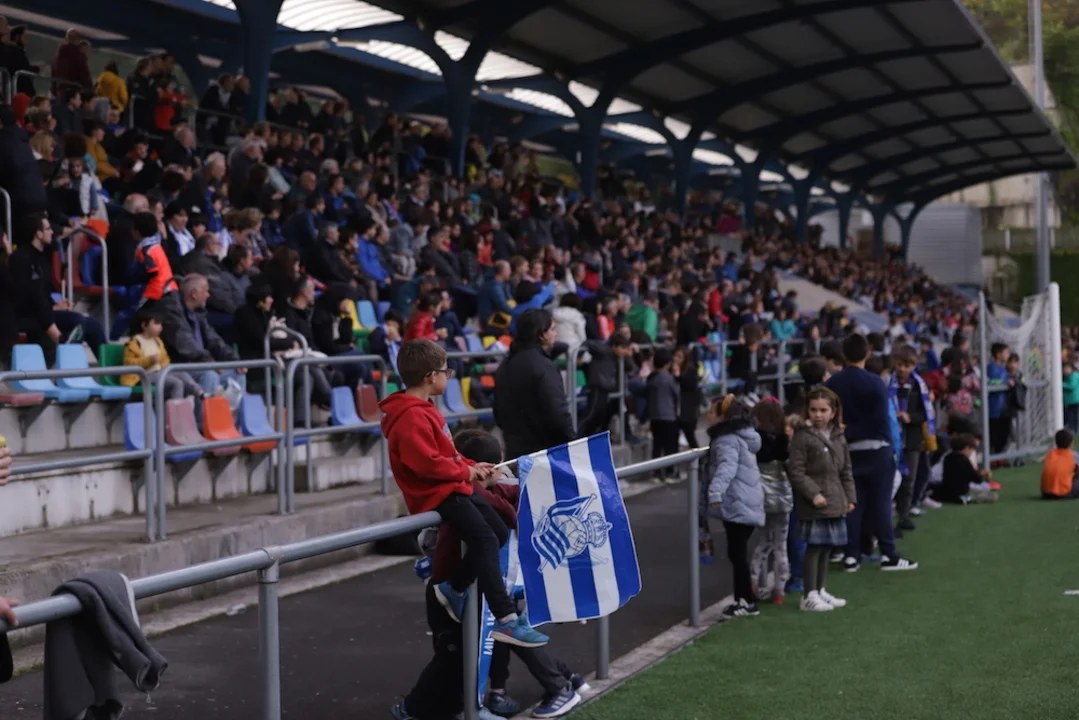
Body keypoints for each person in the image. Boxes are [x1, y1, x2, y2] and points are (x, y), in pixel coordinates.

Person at [395, 429, 586, 720]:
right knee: (463, 650)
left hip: (484, 586)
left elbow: (506, 500)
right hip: (463, 586)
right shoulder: (462, 493)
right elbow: (499, 513)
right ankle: (443, 706)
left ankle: (535, 687)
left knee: (494, 638)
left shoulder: (479, 489)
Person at [379, 339, 547, 648]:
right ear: (431, 376)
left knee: (497, 533)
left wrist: (472, 466)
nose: (448, 375)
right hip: (439, 493)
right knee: (485, 539)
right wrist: (466, 472)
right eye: (446, 371)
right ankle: (506, 618)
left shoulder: (423, 410)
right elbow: (427, 464)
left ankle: (454, 589)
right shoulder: (411, 416)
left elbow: (448, 456)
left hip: (452, 486)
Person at [825, 334, 917, 573]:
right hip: (877, 448)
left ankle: (851, 555)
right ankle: (888, 553)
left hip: (848, 449)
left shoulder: (833, 384)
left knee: (853, 505)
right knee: (881, 504)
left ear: (843, 354)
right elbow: (882, 419)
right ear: (867, 353)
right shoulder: (876, 382)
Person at [787, 386, 856, 612]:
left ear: (833, 412)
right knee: (814, 547)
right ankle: (809, 594)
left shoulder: (838, 435)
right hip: (814, 502)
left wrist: (850, 497)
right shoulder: (803, 436)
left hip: (834, 499)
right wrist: (813, 493)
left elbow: (846, 470)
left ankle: (820, 588)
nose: (818, 414)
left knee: (827, 546)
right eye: (814, 409)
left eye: (823, 410)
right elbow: (796, 471)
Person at [705, 394, 764, 618]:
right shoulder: (744, 436)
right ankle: (747, 597)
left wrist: (715, 491)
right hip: (748, 499)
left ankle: (745, 601)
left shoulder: (726, 439)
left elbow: (727, 467)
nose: (708, 415)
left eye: (712, 412)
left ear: (723, 416)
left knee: (737, 554)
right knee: (738, 553)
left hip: (737, 502)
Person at [493, 308, 575, 460]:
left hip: (515, 451)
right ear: (542, 334)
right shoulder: (544, 366)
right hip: (544, 454)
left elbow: (498, 412)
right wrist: (573, 442)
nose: (556, 334)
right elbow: (557, 413)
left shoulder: (505, 365)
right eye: (553, 329)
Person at [159, 274, 246, 396]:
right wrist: (209, 362)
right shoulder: (172, 311)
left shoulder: (198, 313)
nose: (208, 295)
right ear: (194, 294)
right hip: (179, 367)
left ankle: (236, 409)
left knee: (237, 373)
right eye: (205, 291)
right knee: (209, 375)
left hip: (201, 364)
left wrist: (234, 360)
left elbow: (214, 340)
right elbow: (185, 344)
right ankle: (204, 409)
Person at [749, 398, 792, 605]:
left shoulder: (754, 441)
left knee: (764, 541)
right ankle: (779, 591)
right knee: (781, 545)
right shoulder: (784, 441)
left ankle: (752, 582)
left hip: (761, 498)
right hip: (783, 497)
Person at [890, 344, 933, 535]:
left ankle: (904, 515)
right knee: (892, 479)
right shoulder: (887, 383)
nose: (902, 369)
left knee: (909, 479)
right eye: (899, 364)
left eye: (907, 365)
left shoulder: (919, 385)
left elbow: (925, 414)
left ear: (914, 366)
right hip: (892, 438)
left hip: (912, 438)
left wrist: (910, 417)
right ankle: (889, 517)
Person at [120, 309, 202, 400]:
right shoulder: (134, 343)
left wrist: (164, 367)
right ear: (144, 325)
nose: (160, 327)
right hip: (143, 376)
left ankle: (200, 393)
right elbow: (130, 363)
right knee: (176, 383)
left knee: (183, 375)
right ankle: (176, 407)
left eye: (160, 324)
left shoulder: (158, 341)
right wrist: (149, 360)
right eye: (156, 323)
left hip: (159, 373)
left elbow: (165, 359)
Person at [576, 335, 633, 438]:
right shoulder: (603, 350)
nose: (625, 351)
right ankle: (576, 437)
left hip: (605, 389)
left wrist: (630, 354)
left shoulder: (617, 356)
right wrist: (579, 357)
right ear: (615, 346)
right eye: (623, 348)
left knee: (599, 415)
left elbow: (629, 367)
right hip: (598, 387)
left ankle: (587, 436)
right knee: (591, 414)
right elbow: (588, 342)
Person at [933, 434, 999, 504]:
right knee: (993, 496)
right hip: (961, 492)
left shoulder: (948, 457)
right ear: (966, 448)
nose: (972, 452)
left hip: (946, 491)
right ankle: (966, 499)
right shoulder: (964, 460)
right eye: (972, 449)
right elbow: (977, 479)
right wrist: (983, 476)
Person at [647, 347, 680, 481]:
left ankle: (656, 473)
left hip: (655, 416)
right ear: (667, 363)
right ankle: (670, 472)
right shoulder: (668, 378)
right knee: (669, 446)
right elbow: (676, 393)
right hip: (668, 416)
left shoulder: (651, 378)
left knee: (657, 445)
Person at [986, 342, 1011, 461]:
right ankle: (994, 459)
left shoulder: (1005, 368)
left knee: (1004, 433)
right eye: (1006, 352)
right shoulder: (991, 368)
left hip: (1005, 407)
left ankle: (1001, 458)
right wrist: (1006, 383)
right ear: (998, 354)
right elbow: (992, 382)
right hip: (994, 407)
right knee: (995, 433)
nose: (1008, 355)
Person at [1040, 429, 1079, 500]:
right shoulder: (1072, 455)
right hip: (1064, 493)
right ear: (1071, 443)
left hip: (1046, 493)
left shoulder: (1049, 454)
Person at [1063, 362, 1079, 434]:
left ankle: (1072, 429)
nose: (1065, 370)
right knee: (1071, 415)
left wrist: (1060, 384)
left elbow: (1071, 386)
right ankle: (1072, 428)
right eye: (1064, 368)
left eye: (1067, 368)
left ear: (1072, 369)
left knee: (1072, 415)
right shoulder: (1068, 376)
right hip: (1071, 400)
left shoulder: (1073, 376)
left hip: (1074, 400)